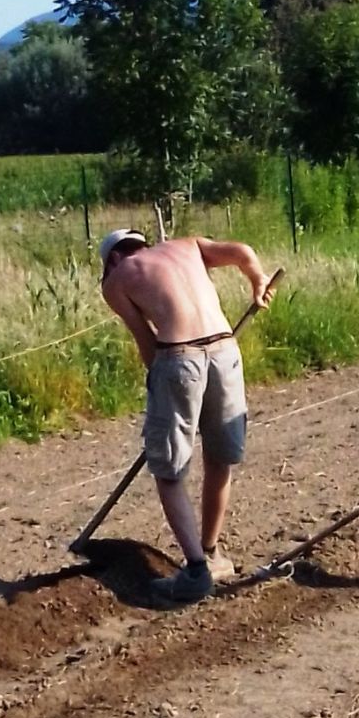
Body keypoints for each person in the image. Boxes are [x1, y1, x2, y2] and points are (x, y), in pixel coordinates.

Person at [99, 227, 273, 603]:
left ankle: (195, 572)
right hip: (226, 350)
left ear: (113, 258)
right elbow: (244, 249)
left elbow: (147, 342)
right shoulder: (187, 245)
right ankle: (210, 552)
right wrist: (258, 283)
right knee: (220, 457)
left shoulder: (117, 280)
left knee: (168, 470)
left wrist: (159, 390)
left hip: (179, 357)